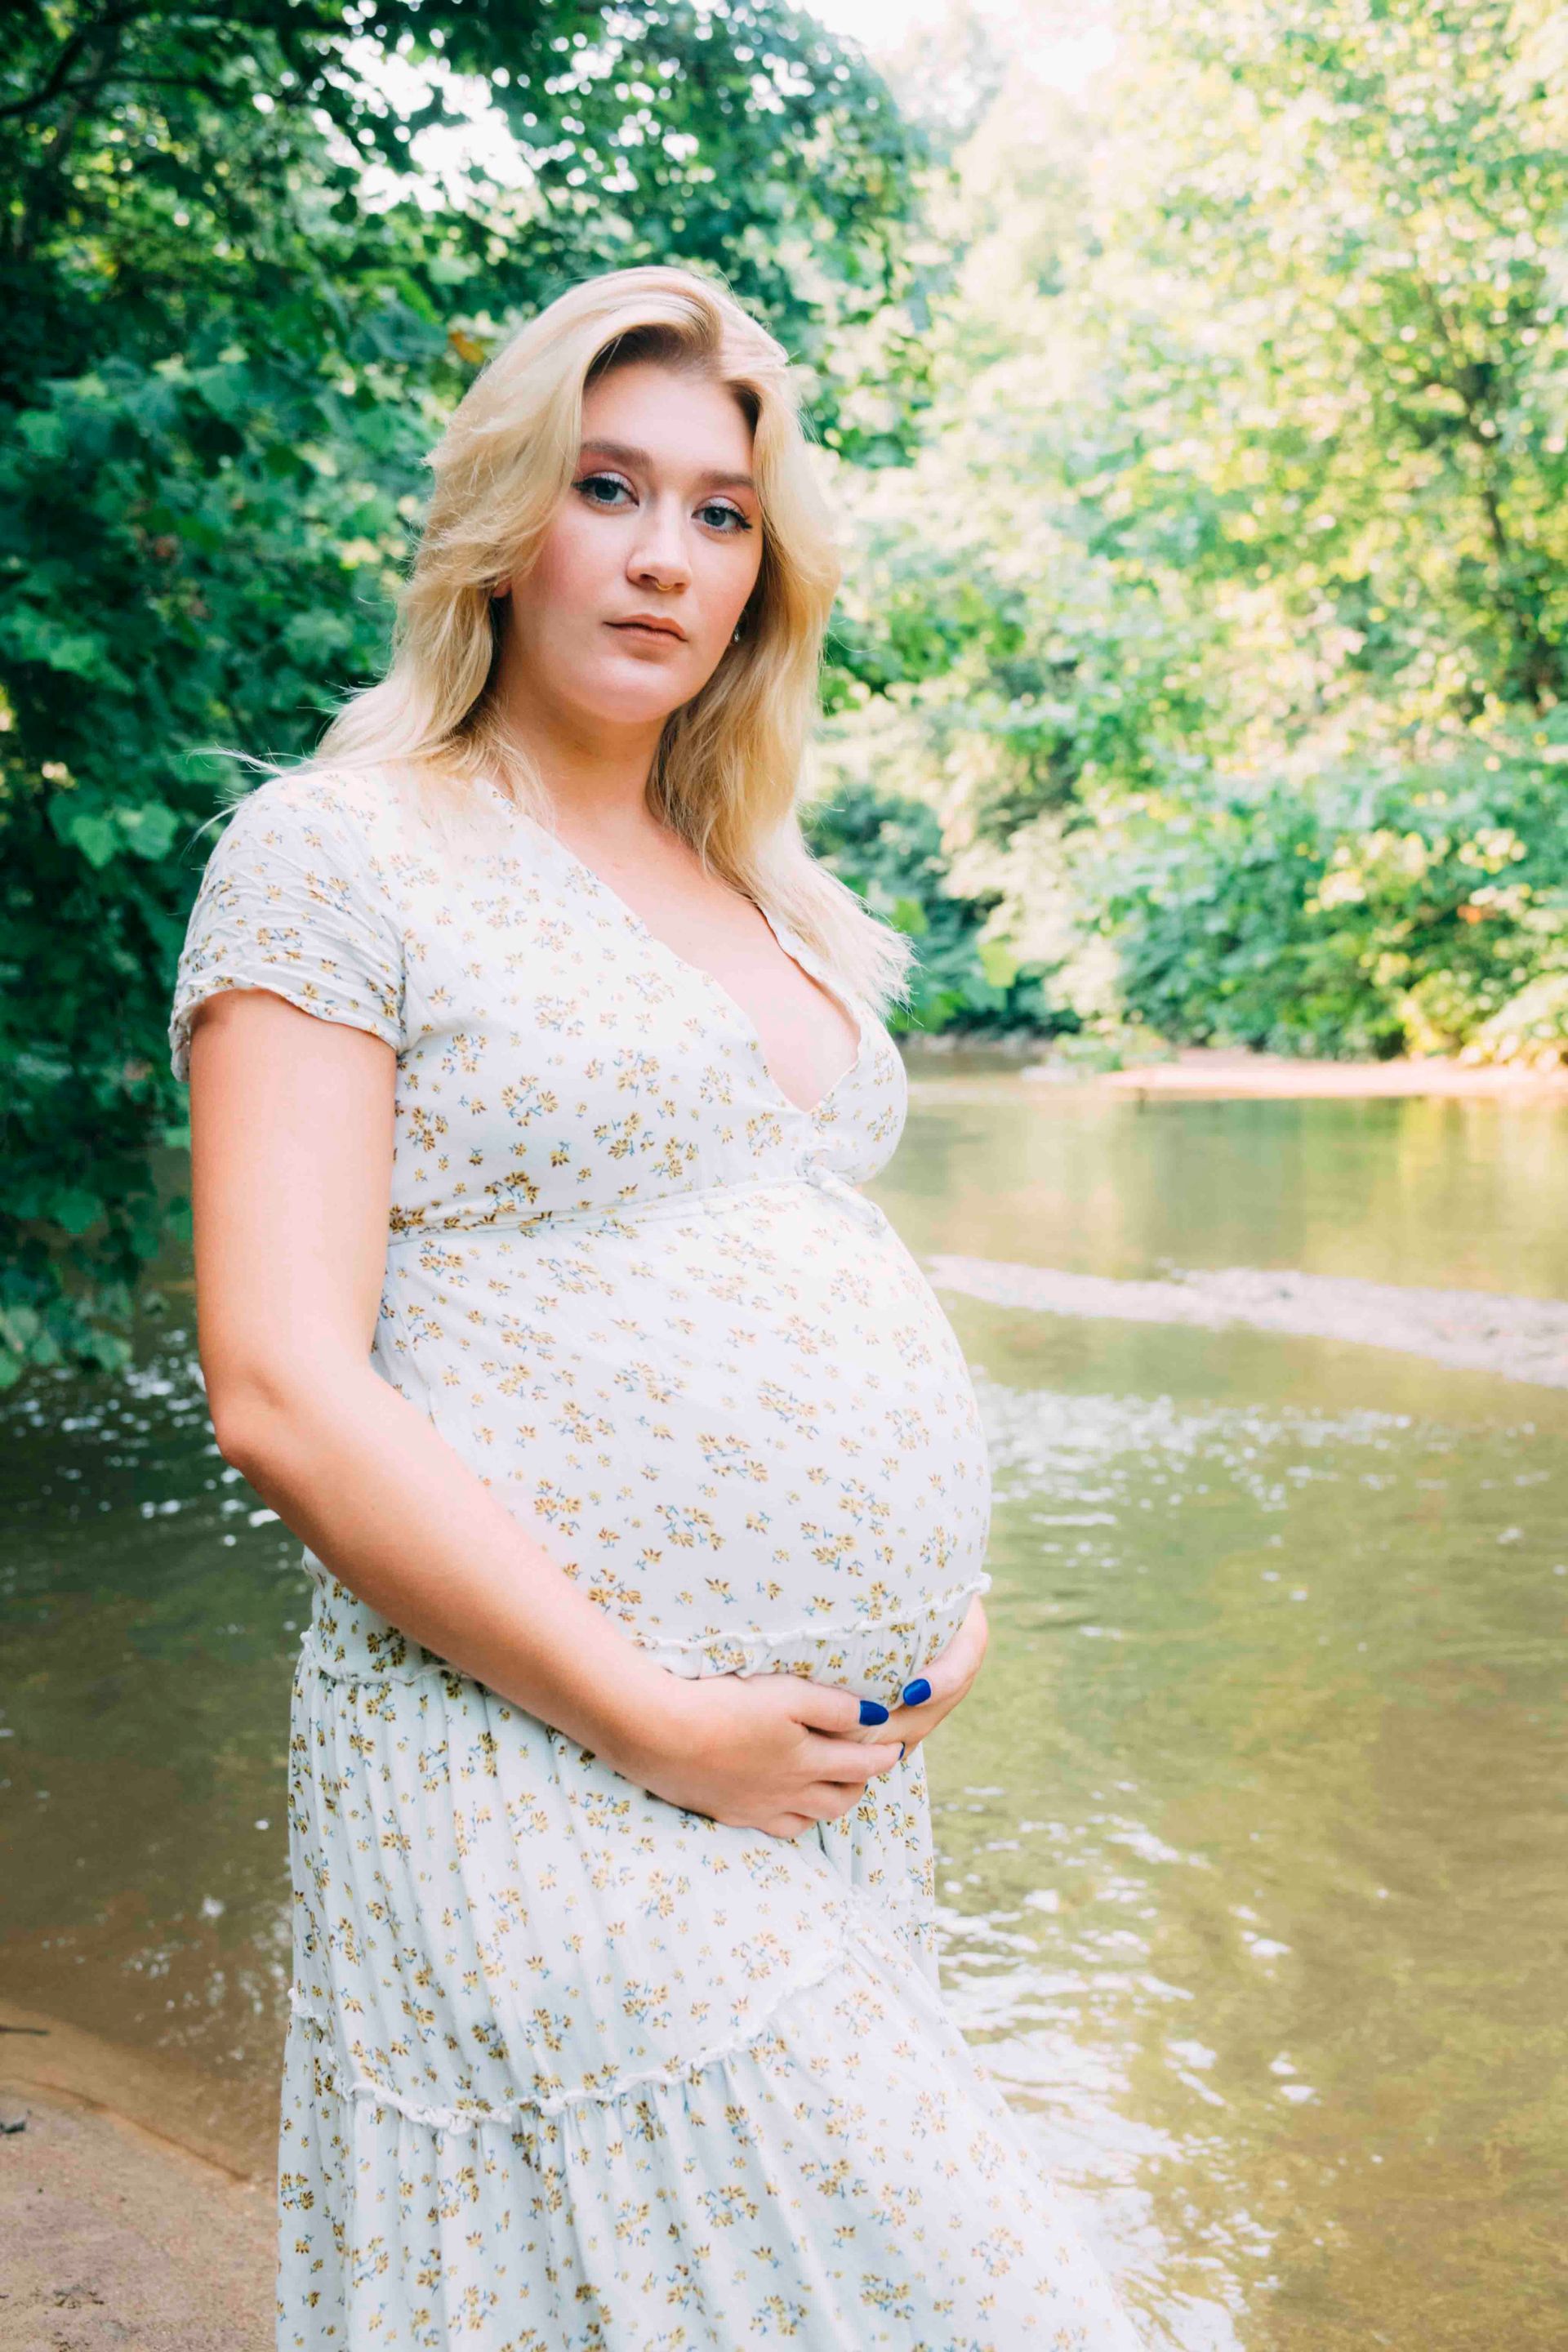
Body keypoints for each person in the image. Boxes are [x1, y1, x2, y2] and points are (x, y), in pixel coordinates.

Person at [172, 264, 1144, 2350]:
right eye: (611, 486)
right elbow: (277, 1382)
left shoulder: (767, 891)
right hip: (539, 1758)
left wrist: (923, 1610)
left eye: (722, 513)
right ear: (508, 520)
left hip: (814, 1785)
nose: (664, 552)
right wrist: (650, 1715)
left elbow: (782, 1267)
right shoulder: (338, 853)